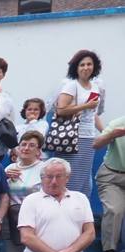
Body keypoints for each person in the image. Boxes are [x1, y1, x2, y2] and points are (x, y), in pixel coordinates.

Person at [15, 158, 94, 252]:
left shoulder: (80, 198)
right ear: (42, 178)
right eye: (49, 177)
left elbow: (90, 233)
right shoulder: (31, 200)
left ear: (67, 178)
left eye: (59, 176)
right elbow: (27, 236)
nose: (53, 181)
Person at [3, 131, 48, 252]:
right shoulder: (8, 169)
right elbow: (3, 196)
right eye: (23, 144)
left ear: (39, 150)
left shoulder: (44, 169)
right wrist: (3, 177)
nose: (26, 148)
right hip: (13, 221)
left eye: (31, 145)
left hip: (38, 223)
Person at [54, 50, 105, 197]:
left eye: (89, 64)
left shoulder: (95, 87)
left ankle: (80, 212)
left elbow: (93, 114)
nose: (86, 67)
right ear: (76, 68)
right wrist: (85, 106)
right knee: (72, 178)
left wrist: (105, 132)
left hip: (89, 138)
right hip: (72, 138)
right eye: (82, 64)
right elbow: (61, 109)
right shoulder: (71, 85)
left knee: (85, 180)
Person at [95, 115, 125, 252]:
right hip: (111, 175)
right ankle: (109, 250)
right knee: (114, 209)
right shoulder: (117, 123)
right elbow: (96, 144)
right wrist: (112, 135)